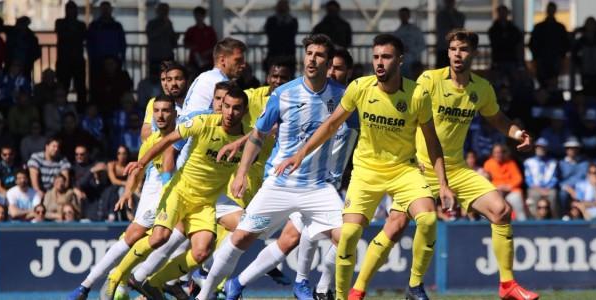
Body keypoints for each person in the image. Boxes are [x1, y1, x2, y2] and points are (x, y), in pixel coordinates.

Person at [350, 29, 537, 300]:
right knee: (396, 225)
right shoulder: (430, 80)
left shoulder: (481, 89)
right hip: (421, 168)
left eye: (462, 49)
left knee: (501, 210)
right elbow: (410, 108)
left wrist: (518, 134)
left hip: (457, 169)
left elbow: (497, 119)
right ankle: (359, 289)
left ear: (473, 53)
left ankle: (507, 285)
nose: (457, 55)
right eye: (452, 49)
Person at [275, 33, 453, 300]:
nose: (379, 63)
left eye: (386, 57)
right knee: (348, 235)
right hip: (366, 172)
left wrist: (443, 183)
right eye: (376, 57)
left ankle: (414, 287)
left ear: (400, 60)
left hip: (404, 171)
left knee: (427, 219)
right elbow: (331, 124)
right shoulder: (360, 87)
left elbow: (432, 141)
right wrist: (300, 154)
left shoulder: (417, 93)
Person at [197, 34, 348, 300]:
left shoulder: (343, 98)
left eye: (319, 55)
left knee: (347, 237)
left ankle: (323, 288)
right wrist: (241, 173)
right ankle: (205, 295)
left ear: (328, 62)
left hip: (318, 186)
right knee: (242, 238)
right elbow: (258, 134)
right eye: (309, 53)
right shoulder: (284, 94)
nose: (312, 59)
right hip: (281, 181)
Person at [106, 86, 250, 299]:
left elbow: (263, 141)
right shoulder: (203, 122)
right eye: (226, 106)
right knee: (159, 238)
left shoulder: (248, 139)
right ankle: (117, 275)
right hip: (179, 192)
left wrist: (242, 176)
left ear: (245, 111)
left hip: (205, 203)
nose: (229, 113)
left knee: (201, 251)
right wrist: (142, 163)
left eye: (236, 109)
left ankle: (155, 283)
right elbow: (167, 141)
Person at [67, 95, 177, 300]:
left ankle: (131, 283)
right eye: (157, 111)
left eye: (166, 111)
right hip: (159, 196)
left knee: (176, 241)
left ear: (175, 113)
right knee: (137, 237)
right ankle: (91, 285)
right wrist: (128, 190)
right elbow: (139, 169)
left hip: (182, 195)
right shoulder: (151, 140)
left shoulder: (183, 135)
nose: (161, 115)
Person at [529, 2, 570, 88]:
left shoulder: (560, 28)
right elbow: (532, 44)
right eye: (549, 9)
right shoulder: (539, 27)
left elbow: (565, 44)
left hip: (555, 60)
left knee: (553, 85)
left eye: (552, 10)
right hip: (542, 60)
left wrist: (560, 58)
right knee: (543, 84)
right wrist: (537, 58)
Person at [55, 0, 87, 104]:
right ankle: (62, 107)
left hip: (76, 60)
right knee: (63, 87)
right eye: (69, 9)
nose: (71, 12)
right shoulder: (60, 23)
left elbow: (81, 36)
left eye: (73, 9)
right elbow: (63, 35)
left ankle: (81, 109)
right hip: (64, 60)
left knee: (80, 88)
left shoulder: (81, 25)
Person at [87, 1, 126, 79]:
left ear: (111, 10)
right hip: (97, 60)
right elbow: (89, 42)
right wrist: (91, 57)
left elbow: (122, 42)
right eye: (103, 9)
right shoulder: (94, 25)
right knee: (98, 83)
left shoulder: (117, 26)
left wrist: (121, 57)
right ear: (100, 10)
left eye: (107, 9)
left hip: (114, 59)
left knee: (114, 83)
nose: (105, 11)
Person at [71, 145, 109, 221]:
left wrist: (96, 174)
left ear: (87, 154)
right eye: (77, 154)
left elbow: (97, 184)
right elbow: (79, 184)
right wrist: (91, 171)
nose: (79, 156)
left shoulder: (92, 165)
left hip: (93, 197)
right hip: (80, 198)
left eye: (82, 154)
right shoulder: (73, 168)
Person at [524, 138, 560, 218]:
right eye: (539, 147)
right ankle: (534, 219)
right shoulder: (528, 162)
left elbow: (555, 178)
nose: (541, 149)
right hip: (535, 188)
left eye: (543, 147)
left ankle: (554, 219)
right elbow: (528, 179)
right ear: (535, 148)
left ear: (547, 149)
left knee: (553, 195)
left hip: (548, 189)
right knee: (533, 195)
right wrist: (538, 189)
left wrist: (547, 188)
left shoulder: (553, 162)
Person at [488, 4, 524, 76]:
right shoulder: (494, 29)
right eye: (501, 13)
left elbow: (518, 43)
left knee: (512, 81)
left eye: (504, 12)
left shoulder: (513, 29)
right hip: (499, 59)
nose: (502, 15)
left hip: (511, 59)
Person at [264, 0, 298, 71]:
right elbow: (270, 33)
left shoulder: (292, 20)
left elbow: (292, 33)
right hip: (276, 54)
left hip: (286, 54)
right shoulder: (272, 20)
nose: (282, 8)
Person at [393, 7, 426, 78]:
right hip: (400, 63)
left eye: (405, 15)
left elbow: (422, 45)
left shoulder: (416, 30)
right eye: (401, 15)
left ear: (408, 16)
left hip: (413, 63)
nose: (403, 17)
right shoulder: (396, 33)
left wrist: (411, 49)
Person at [185, 6, 218, 74]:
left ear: (203, 16)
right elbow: (186, 44)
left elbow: (215, 45)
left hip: (208, 61)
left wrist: (206, 53)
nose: (197, 17)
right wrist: (192, 47)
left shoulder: (210, 30)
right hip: (194, 61)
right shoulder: (191, 30)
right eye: (196, 15)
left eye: (199, 15)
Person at [146, 3, 178, 73]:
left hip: (167, 56)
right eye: (162, 10)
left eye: (166, 10)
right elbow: (151, 35)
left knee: (168, 76)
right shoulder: (152, 23)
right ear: (157, 11)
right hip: (155, 56)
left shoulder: (169, 23)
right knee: (155, 78)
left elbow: (172, 41)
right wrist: (163, 28)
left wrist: (175, 38)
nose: (165, 12)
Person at [435, 0, 465, 67]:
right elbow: (441, 29)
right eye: (447, 1)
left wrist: (451, 15)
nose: (449, 3)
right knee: (440, 70)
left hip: (455, 47)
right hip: (442, 47)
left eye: (451, 1)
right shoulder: (440, 15)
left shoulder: (460, 15)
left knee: (455, 68)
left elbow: (460, 27)